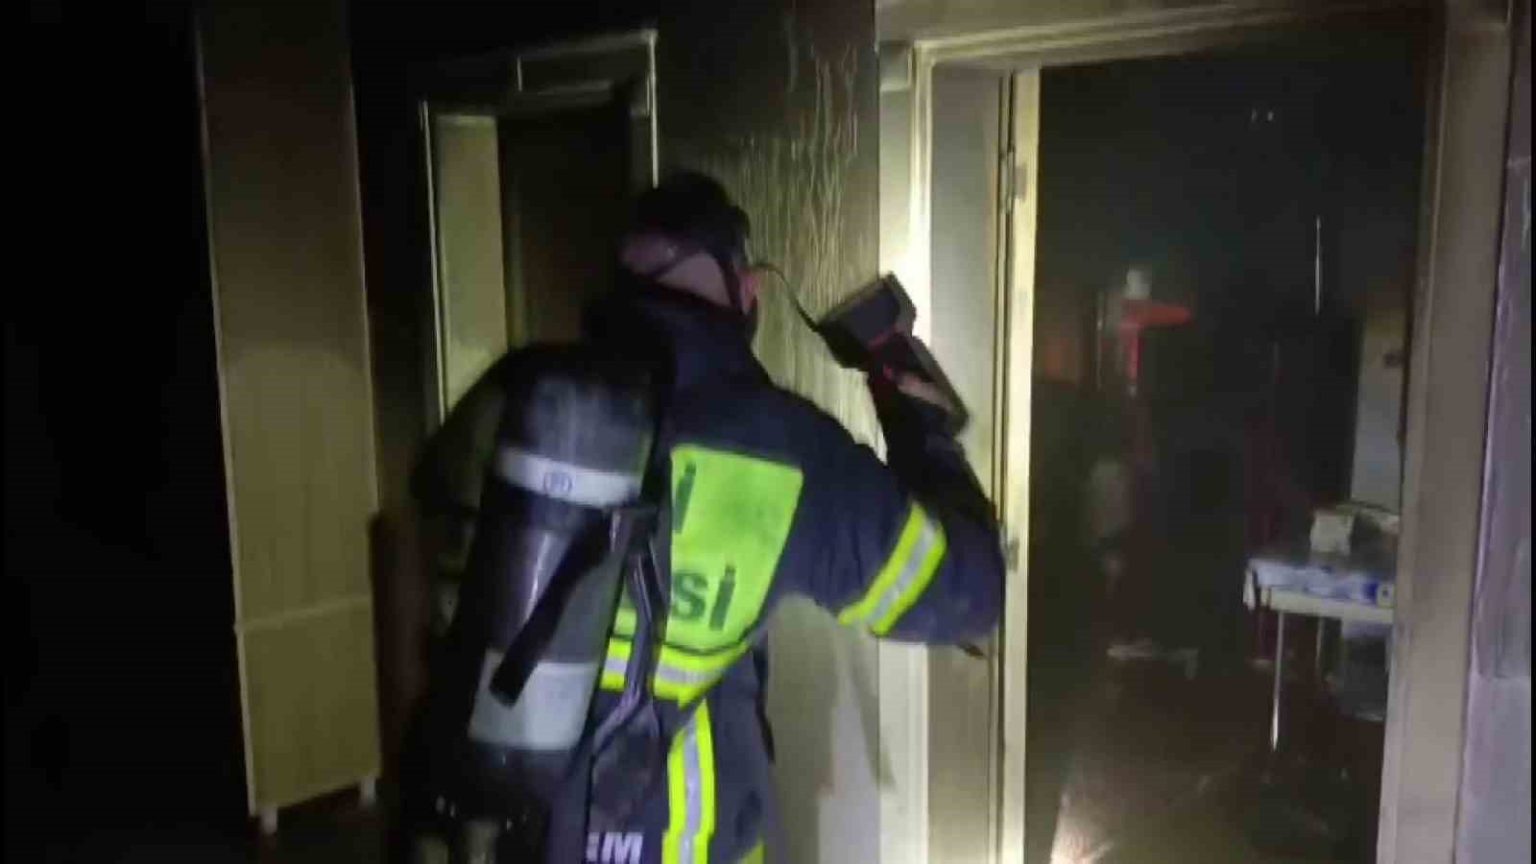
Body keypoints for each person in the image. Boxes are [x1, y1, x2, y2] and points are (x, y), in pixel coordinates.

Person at [411, 171, 1004, 863]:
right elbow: (969, 594)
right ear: (747, 291)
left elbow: (415, 542)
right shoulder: (787, 450)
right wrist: (922, 432)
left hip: (503, 837)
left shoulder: (518, 391)